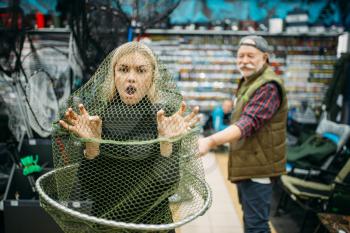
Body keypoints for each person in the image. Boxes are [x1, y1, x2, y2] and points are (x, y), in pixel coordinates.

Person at [58, 42, 199, 230]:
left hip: (153, 224)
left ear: (152, 77)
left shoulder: (164, 119)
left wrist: (166, 142)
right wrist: (92, 146)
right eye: (123, 69)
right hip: (108, 222)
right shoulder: (97, 118)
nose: (131, 78)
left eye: (141, 71)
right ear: (113, 75)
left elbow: (169, 185)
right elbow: (89, 186)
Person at [199, 35, 288, 233]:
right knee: (250, 220)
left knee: (256, 226)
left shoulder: (268, 86)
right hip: (248, 162)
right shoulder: (250, 81)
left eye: (250, 56)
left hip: (259, 168)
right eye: (240, 56)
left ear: (264, 58)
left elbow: (248, 123)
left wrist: (210, 141)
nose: (244, 61)